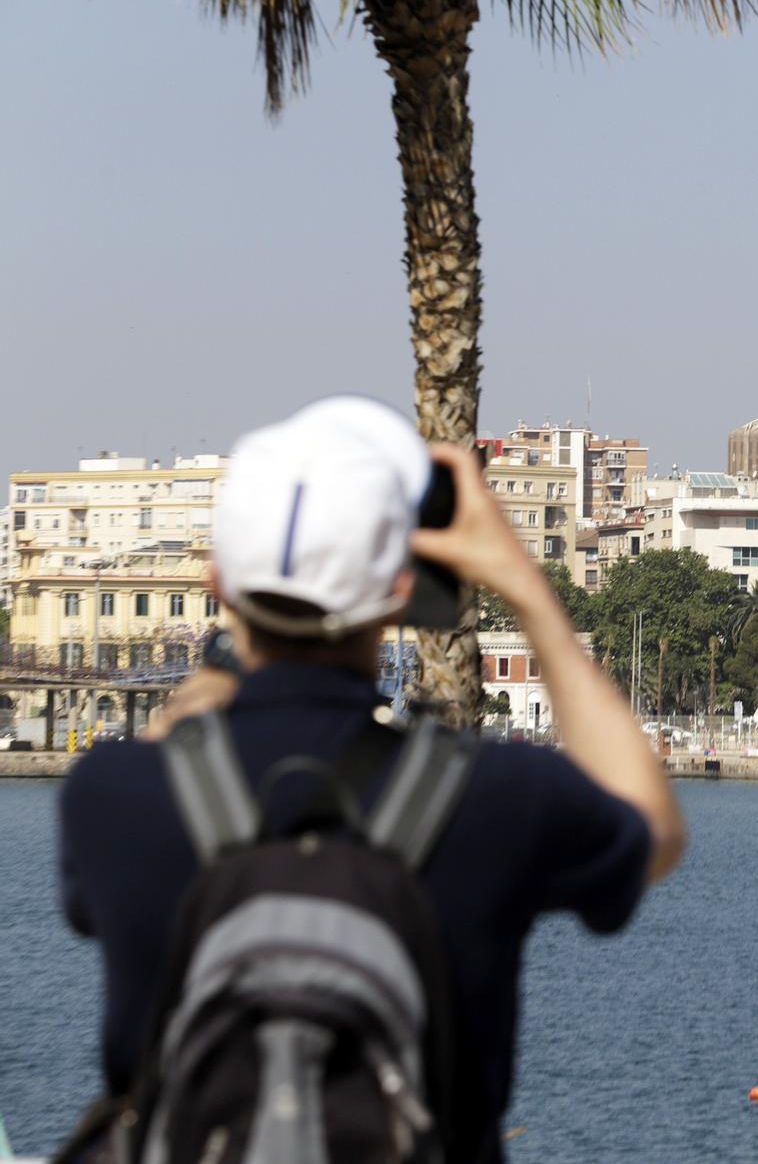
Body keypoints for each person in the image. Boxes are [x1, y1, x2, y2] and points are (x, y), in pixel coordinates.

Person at [57, 397, 684, 1160]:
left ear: (218, 582)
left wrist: (221, 669)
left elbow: (166, 758)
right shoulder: (498, 796)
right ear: (399, 589)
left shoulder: (112, 796)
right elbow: (652, 828)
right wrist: (526, 589)